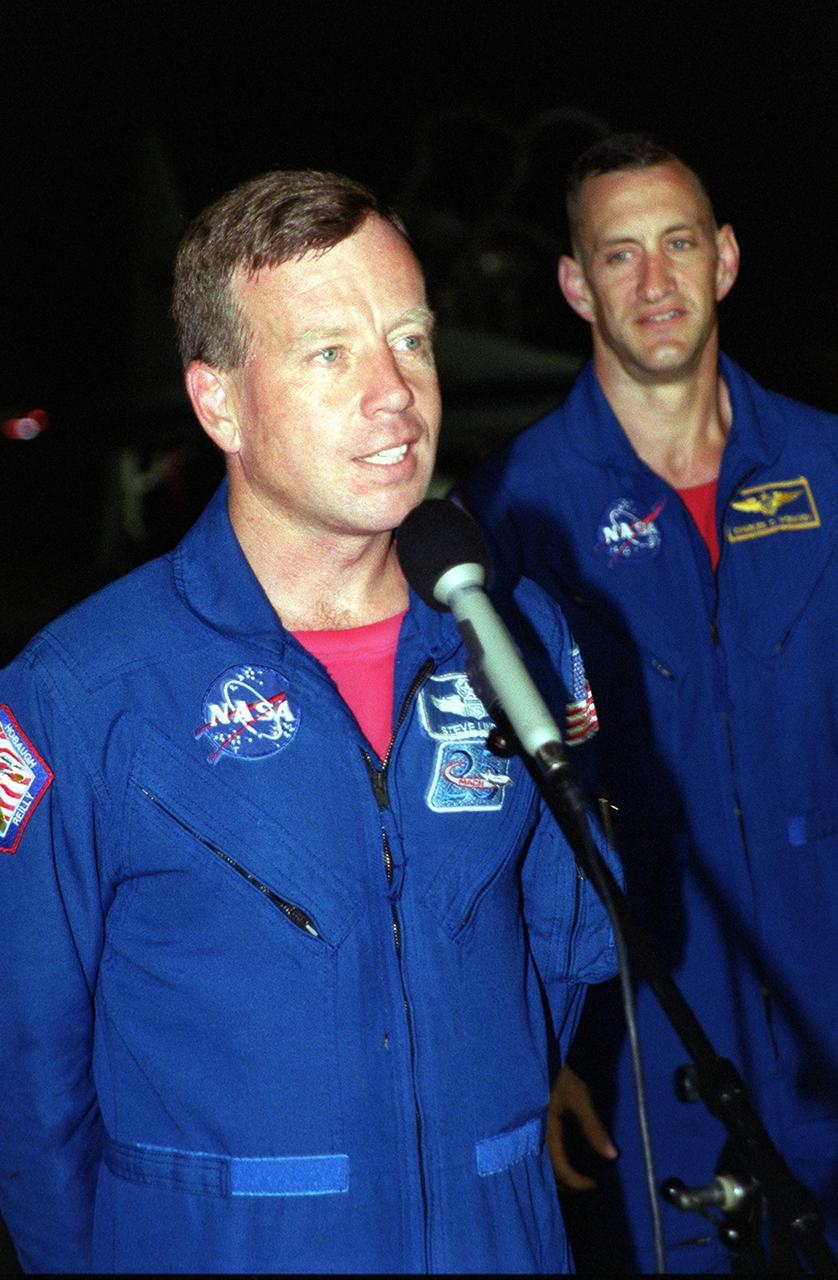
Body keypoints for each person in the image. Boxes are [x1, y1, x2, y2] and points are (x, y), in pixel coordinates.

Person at [0, 168, 621, 1275]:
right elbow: (27, 1074)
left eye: (411, 340)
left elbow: (562, 958)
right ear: (219, 404)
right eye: (329, 353)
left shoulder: (519, 636)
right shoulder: (80, 693)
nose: (396, 394)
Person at [458, 133, 838, 1273]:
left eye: (678, 243)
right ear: (576, 284)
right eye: (619, 254)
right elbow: (487, 817)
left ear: (726, 258)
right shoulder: (510, 512)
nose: (656, 281)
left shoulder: (828, 468)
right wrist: (541, 1049)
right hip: (643, 1034)